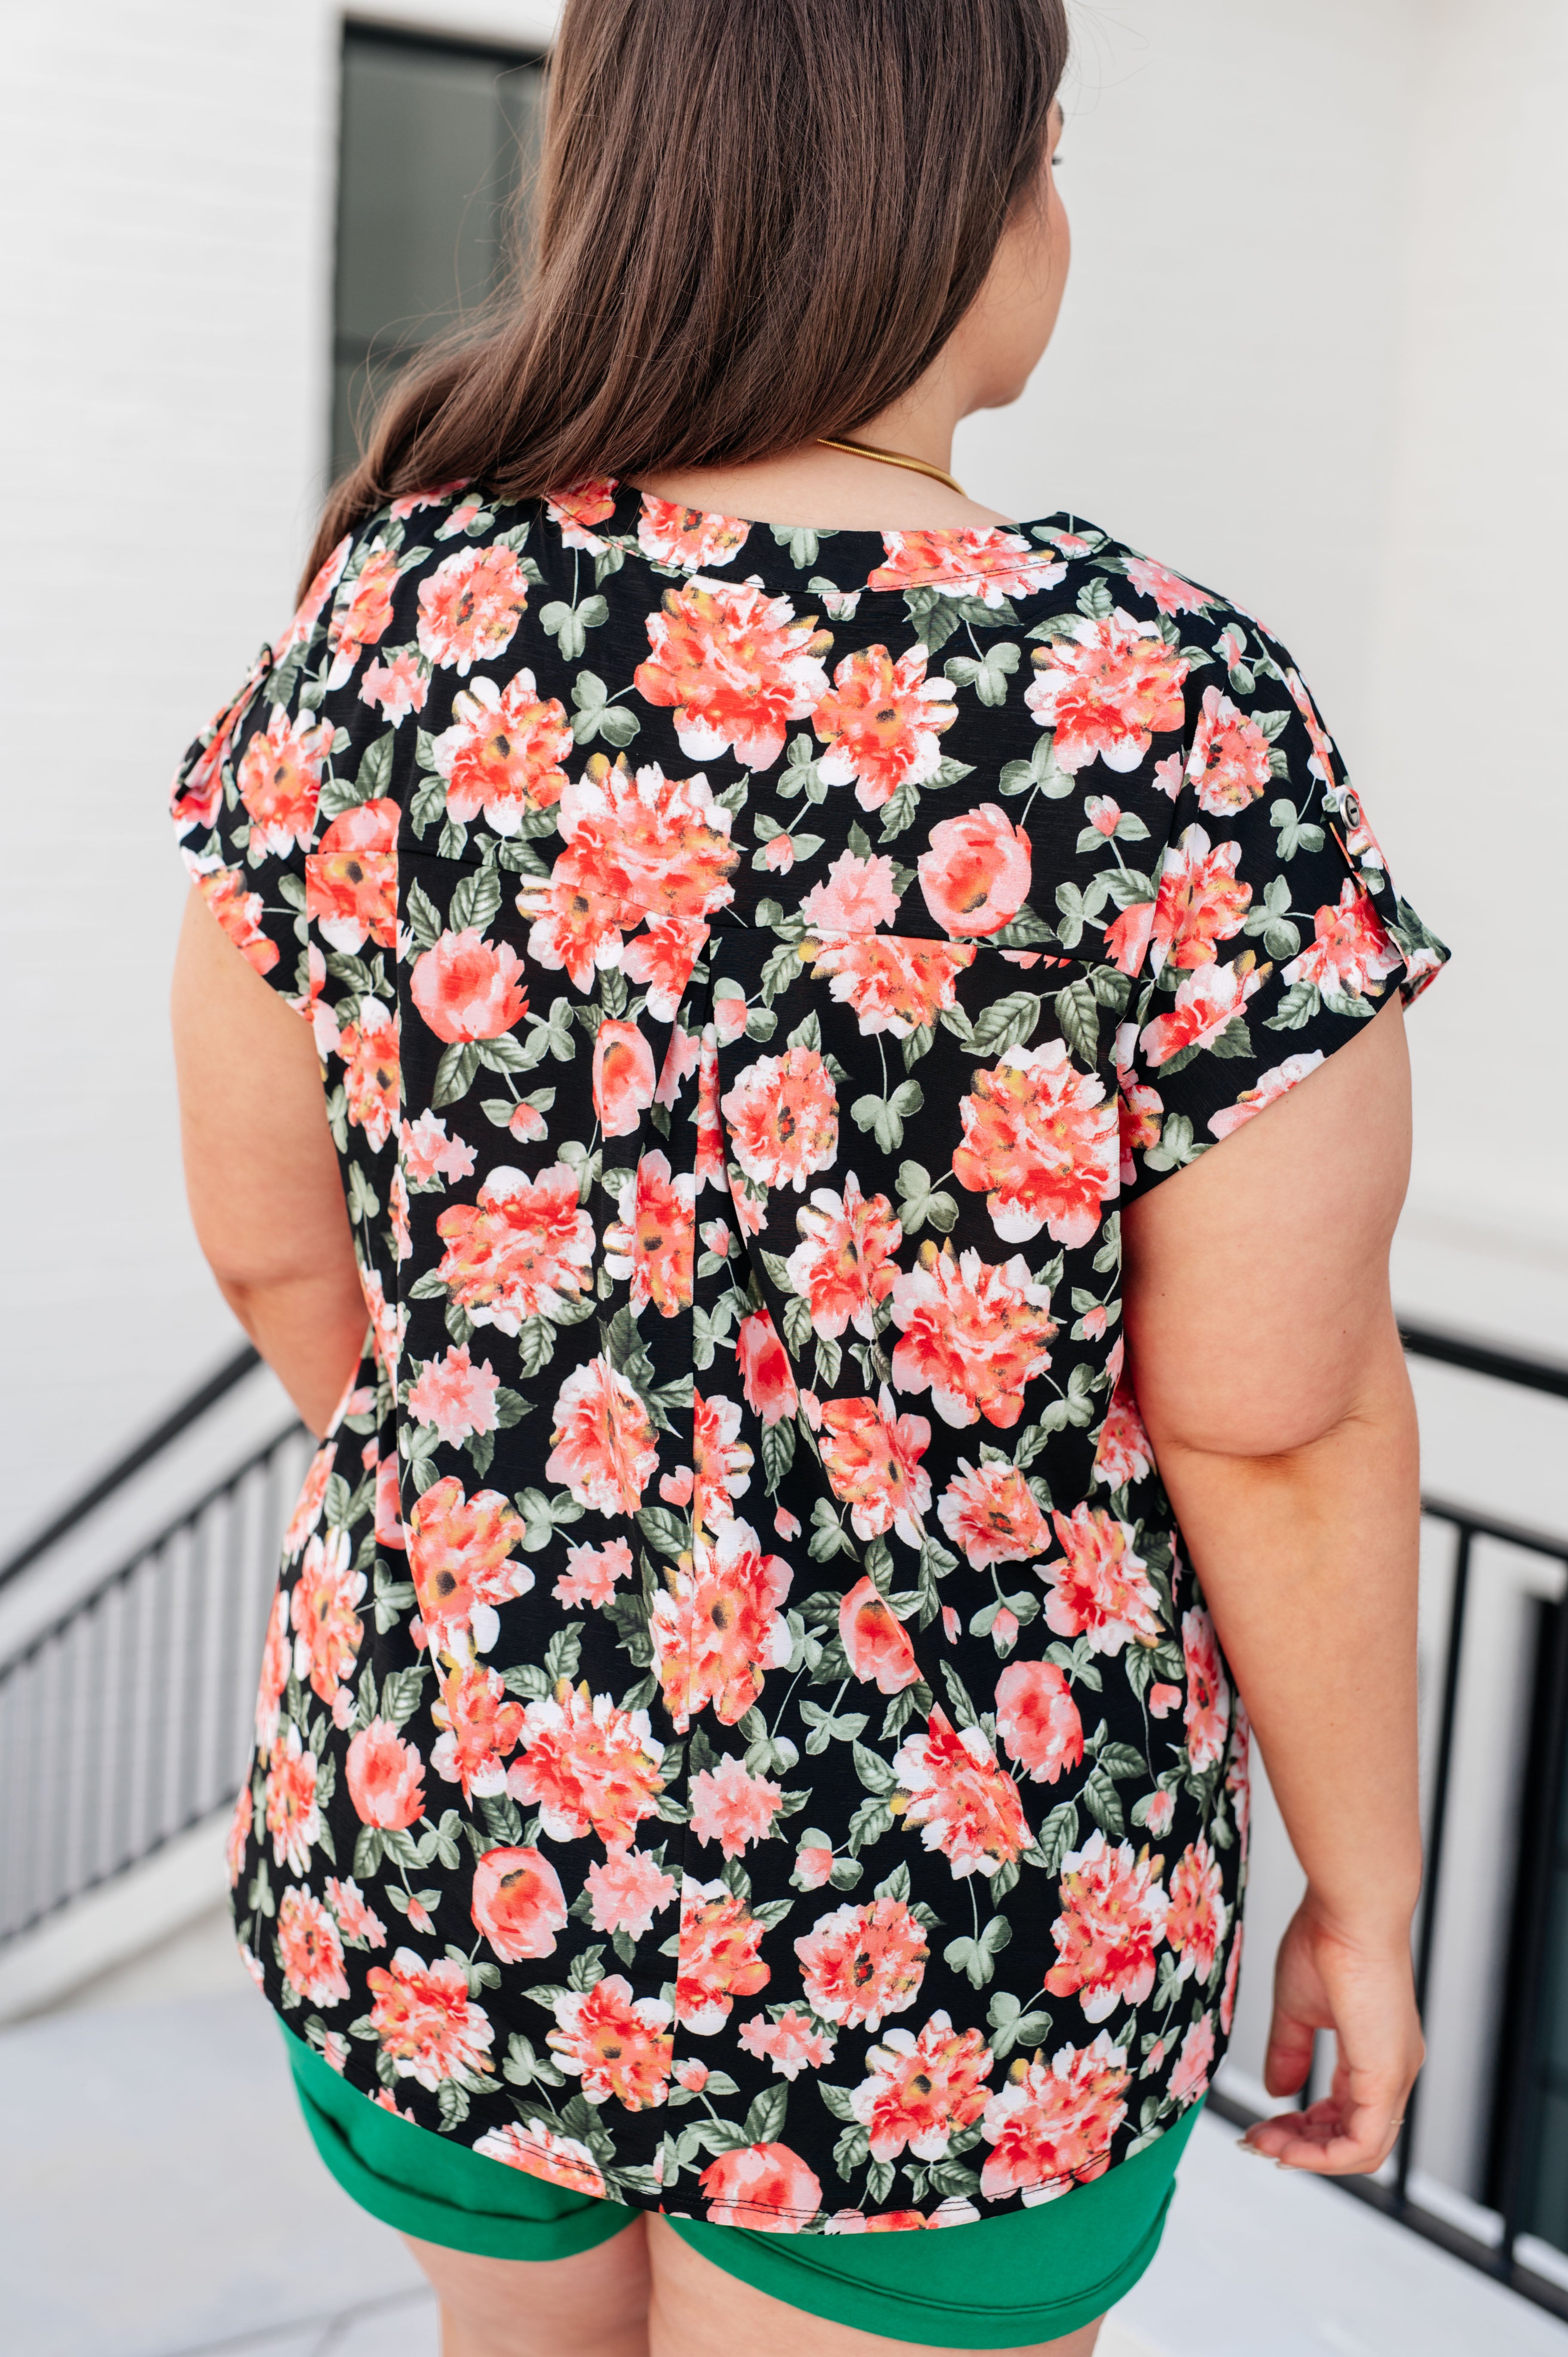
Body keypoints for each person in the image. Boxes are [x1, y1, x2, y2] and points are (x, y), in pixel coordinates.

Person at [169, 3, 1446, 2351]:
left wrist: (500, 1521)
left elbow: (276, 1235)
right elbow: (1277, 1413)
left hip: (458, 1831)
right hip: (946, 1956)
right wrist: (1366, 1885)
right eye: (1045, 148)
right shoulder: (1161, 710)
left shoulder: (381, 631)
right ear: (943, 196)